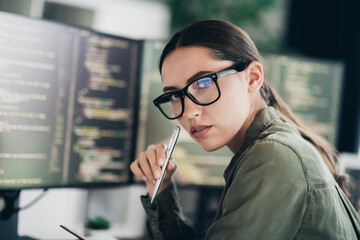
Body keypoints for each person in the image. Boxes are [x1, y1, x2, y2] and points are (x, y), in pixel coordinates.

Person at [130, 19, 360, 240]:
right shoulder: (270, 149)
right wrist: (161, 186)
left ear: (252, 78)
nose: (188, 112)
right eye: (174, 95)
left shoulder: (273, 156)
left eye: (203, 83)